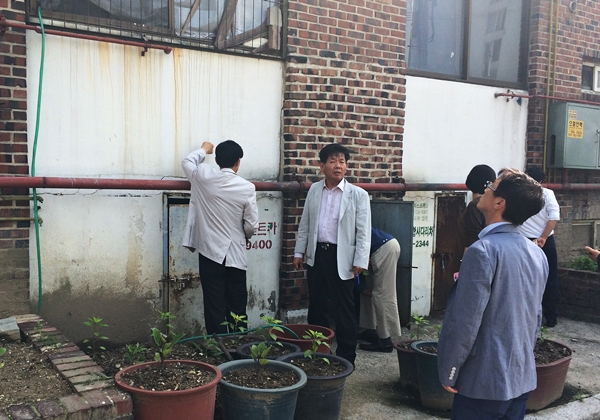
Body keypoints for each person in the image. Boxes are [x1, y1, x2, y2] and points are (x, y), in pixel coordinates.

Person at [437, 168, 548, 420]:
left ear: (499, 203)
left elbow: (465, 321)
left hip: (483, 383)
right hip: (520, 377)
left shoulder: (482, 251)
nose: (486, 189)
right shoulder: (537, 253)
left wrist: (450, 370)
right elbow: (534, 318)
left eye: (491, 186)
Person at [293, 143, 371, 365]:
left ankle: (346, 357)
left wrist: (360, 260)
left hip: (342, 257)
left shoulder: (358, 195)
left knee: (344, 308)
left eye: (342, 161)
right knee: (317, 306)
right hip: (317, 255)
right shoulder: (314, 190)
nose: (338, 166)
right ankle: (317, 352)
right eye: (333, 161)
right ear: (322, 166)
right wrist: (299, 252)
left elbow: (363, 231)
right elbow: (305, 223)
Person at [181, 140, 259, 335]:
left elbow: (187, 162)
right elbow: (251, 225)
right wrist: (243, 235)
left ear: (216, 160)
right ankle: (238, 343)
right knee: (237, 302)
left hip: (210, 253)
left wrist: (203, 149)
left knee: (214, 303)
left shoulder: (203, 176)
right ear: (238, 162)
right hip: (235, 254)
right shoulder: (247, 187)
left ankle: (217, 345)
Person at [517, 167, 561, 327]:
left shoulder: (519, 194)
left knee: (523, 278)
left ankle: (525, 316)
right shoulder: (547, 194)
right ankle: (551, 317)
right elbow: (554, 217)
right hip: (545, 240)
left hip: (523, 240)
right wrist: (543, 237)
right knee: (550, 277)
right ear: (542, 181)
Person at [357, 227, 402, 353]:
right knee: (368, 292)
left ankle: (385, 341)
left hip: (383, 248)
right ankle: (369, 330)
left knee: (382, 293)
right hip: (379, 247)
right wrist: (362, 288)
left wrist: (360, 287)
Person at [458, 164, 497, 255]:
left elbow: (472, 239)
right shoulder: (493, 204)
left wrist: (465, 262)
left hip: (472, 256)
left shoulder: (475, 206)